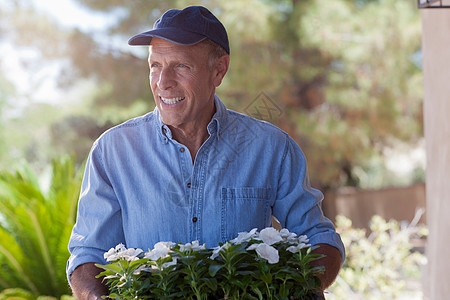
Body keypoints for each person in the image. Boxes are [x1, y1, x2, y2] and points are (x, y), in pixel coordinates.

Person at [67, 5, 345, 299]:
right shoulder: (112, 152)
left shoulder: (272, 148)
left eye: (180, 66)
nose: (163, 82)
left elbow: (319, 238)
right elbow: (89, 254)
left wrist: (301, 288)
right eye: (155, 66)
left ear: (219, 70)